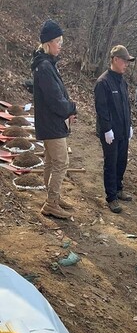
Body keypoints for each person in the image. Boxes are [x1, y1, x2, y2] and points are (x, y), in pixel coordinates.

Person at [32, 20, 77, 220]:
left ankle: (54, 198)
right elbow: (55, 100)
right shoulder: (44, 66)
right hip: (52, 123)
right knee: (61, 162)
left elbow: (58, 96)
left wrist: (67, 108)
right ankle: (51, 203)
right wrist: (71, 108)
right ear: (48, 43)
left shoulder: (46, 64)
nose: (60, 45)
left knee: (51, 162)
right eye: (58, 41)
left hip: (51, 122)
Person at [94, 45, 134, 214]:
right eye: (125, 61)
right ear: (115, 60)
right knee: (111, 163)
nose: (127, 64)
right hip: (110, 132)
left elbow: (127, 107)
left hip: (123, 129)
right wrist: (106, 129)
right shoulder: (103, 82)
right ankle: (111, 197)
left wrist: (130, 125)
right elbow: (102, 109)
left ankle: (118, 188)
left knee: (121, 161)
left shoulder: (122, 82)